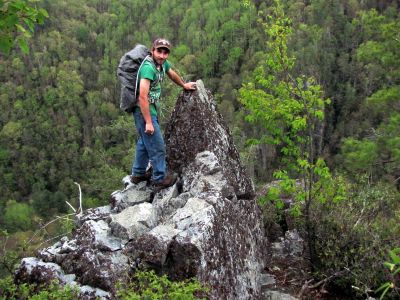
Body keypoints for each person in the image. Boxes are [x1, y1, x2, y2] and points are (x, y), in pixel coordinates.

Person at [130, 38, 196, 190]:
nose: (162, 55)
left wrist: (183, 84)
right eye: (159, 51)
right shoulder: (148, 68)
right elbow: (142, 96)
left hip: (151, 109)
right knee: (158, 145)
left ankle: (138, 173)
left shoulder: (161, 65)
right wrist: (148, 121)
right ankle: (159, 178)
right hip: (144, 112)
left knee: (144, 141)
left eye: (165, 52)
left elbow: (172, 74)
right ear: (152, 51)